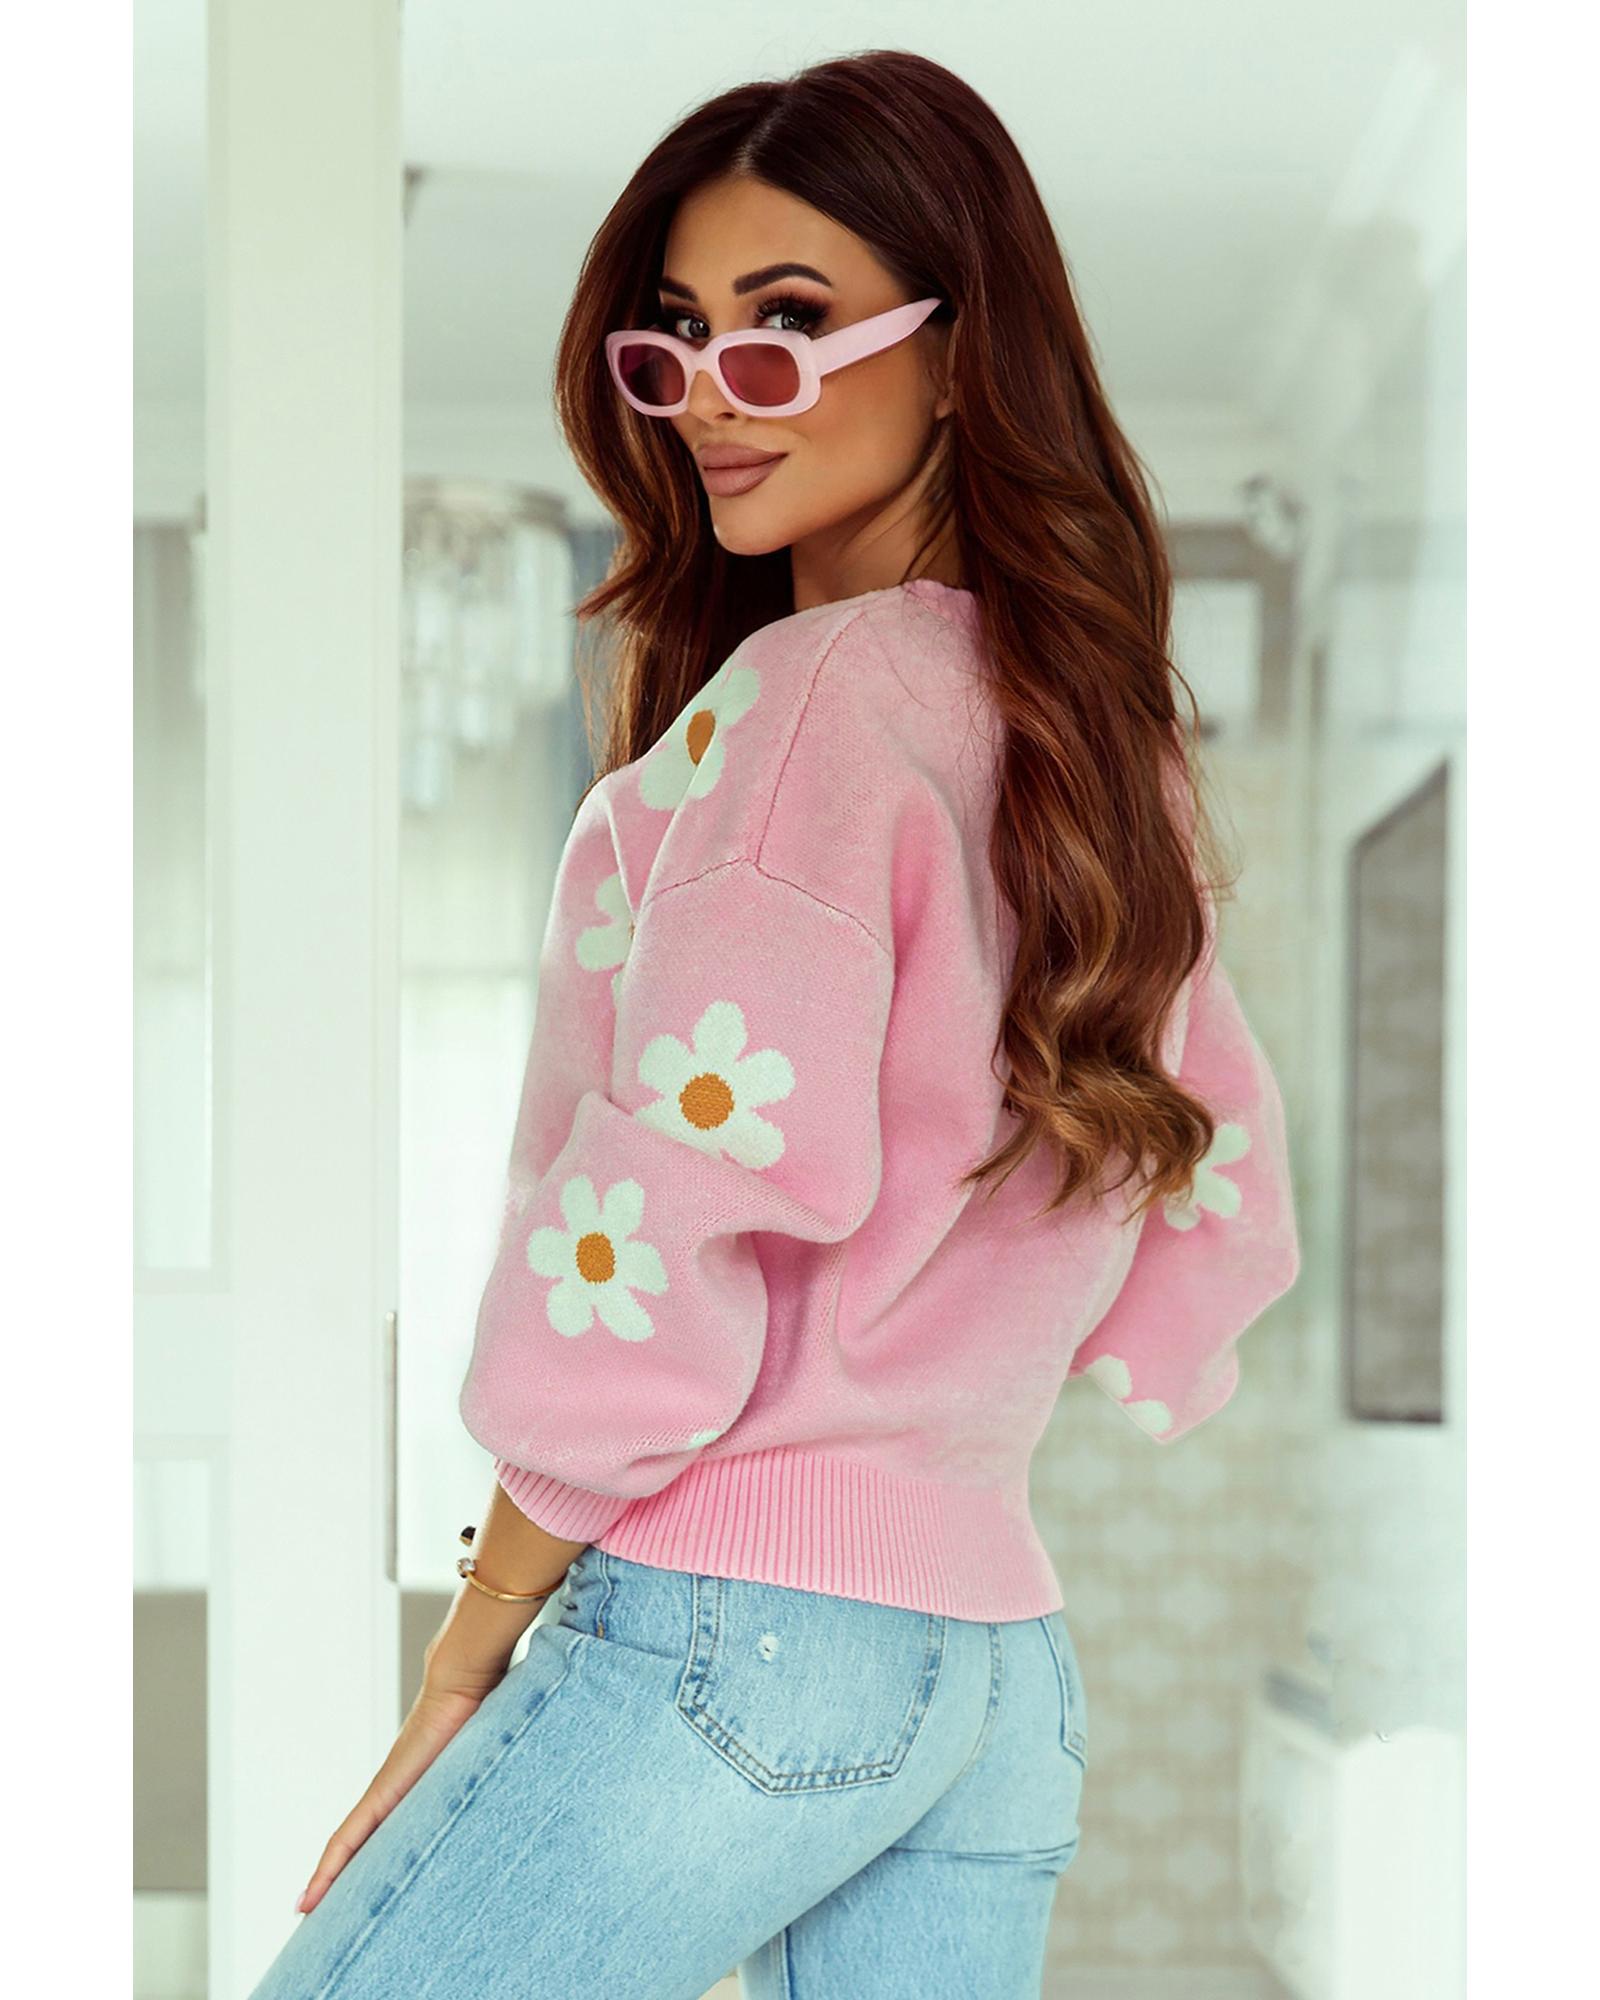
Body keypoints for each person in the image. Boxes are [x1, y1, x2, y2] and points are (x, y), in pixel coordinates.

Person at [249, 47, 1301, 2000]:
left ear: (959, 353)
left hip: (742, 1630)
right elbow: (1210, 1175)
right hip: (993, 1661)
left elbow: (664, 1195)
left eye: (789, 326)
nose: (712, 395)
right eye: (675, 338)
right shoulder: (1103, 750)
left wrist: (478, 1626)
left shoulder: (810, 702)